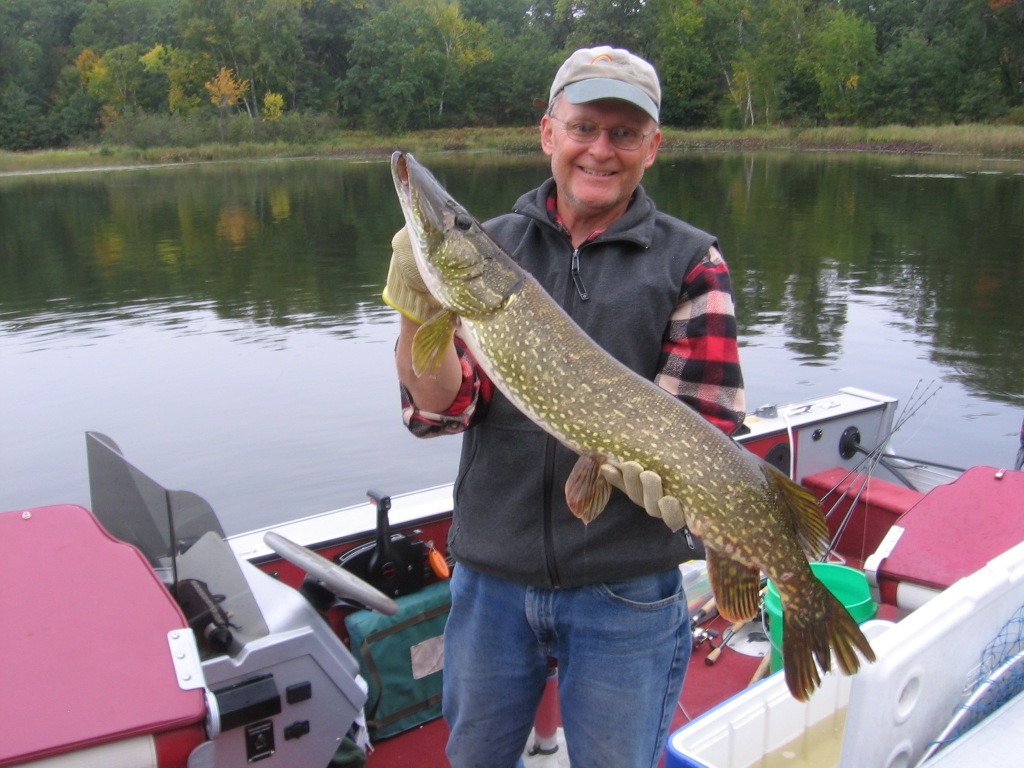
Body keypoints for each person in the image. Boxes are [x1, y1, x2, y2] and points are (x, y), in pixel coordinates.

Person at [383, 46, 745, 768]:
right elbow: (440, 412)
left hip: (626, 591)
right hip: (490, 580)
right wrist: (413, 314)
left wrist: (663, 476)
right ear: (549, 132)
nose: (600, 150)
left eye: (624, 133)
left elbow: (708, 429)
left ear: (653, 148)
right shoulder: (496, 249)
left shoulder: (691, 262)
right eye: (584, 127)